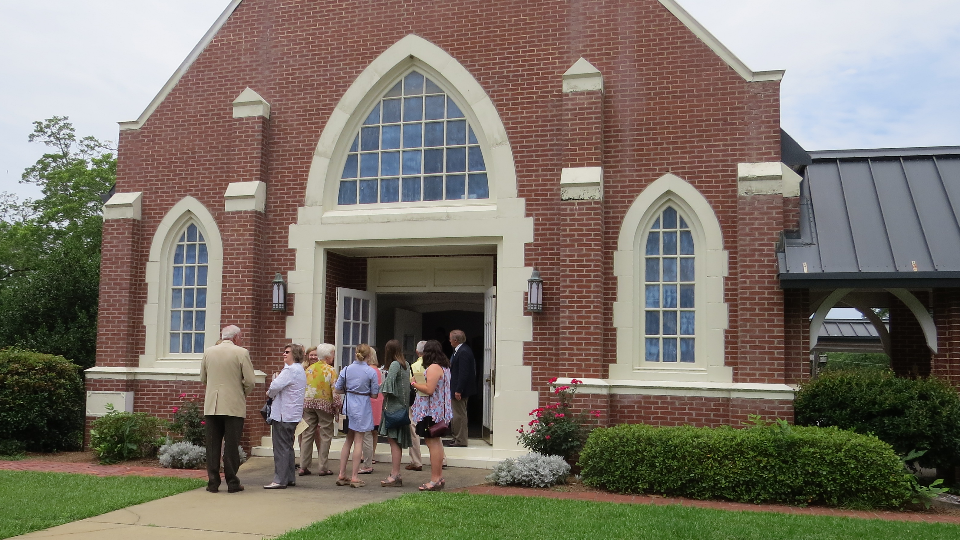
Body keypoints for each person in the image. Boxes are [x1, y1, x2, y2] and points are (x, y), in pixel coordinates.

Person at [199, 325, 256, 494]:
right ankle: (232, 482)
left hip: (212, 405)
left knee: (212, 445)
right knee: (231, 445)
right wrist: (240, 393)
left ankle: (213, 482)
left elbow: (203, 378)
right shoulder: (241, 352)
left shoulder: (209, 352)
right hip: (233, 405)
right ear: (236, 337)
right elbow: (251, 381)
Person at [334, 343, 380, 488]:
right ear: (369, 356)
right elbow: (374, 394)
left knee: (348, 440)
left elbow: (337, 389)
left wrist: (350, 391)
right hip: (362, 406)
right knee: (359, 440)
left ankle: (342, 473)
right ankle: (354, 476)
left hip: (348, 406)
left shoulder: (346, 369)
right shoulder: (370, 372)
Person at [410, 340, 452, 491]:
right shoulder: (444, 367)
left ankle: (434, 479)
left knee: (432, 444)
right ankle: (438, 477)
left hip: (431, 412)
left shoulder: (434, 367)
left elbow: (429, 389)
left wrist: (414, 383)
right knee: (437, 443)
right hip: (439, 411)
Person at [264, 343, 307, 489]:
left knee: (280, 448)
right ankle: (289, 477)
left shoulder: (290, 370)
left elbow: (274, 386)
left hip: (283, 414)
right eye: (284, 351)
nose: (284, 354)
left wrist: (269, 393)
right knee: (288, 447)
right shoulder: (300, 369)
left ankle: (279, 480)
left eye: (287, 352)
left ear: (294, 354)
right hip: (293, 414)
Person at [298, 343, 339, 477]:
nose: (333, 356)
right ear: (328, 356)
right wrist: (337, 407)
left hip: (308, 404)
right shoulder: (330, 370)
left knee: (307, 434)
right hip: (324, 405)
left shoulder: (309, 369)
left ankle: (303, 466)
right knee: (326, 434)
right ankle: (323, 467)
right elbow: (335, 390)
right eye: (332, 354)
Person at [378, 339, 411, 487]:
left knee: (393, 442)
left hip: (393, 408)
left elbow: (388, 386)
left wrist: (377, 388)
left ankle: (395, 474)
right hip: (403, 407)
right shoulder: (406, 364)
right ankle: (396, 473)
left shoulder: (394, 365)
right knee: (396, 441)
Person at [447, 329, 477, 447]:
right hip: (456, 388)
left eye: (450, 338)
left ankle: (461, 440)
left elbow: (463, 373)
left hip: (460, 390)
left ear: (455, 340)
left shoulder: (463, 351)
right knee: (456, 414)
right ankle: (456, 438)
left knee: (459, 415)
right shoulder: (460, 350)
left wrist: (458, 390)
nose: (449, 341)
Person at [360, 348, 383, 473]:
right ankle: (371, 455)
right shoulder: (377, 370)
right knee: (374, 430)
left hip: (370, 400)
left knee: (367, 431)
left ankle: (366, 455)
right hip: (377, 400)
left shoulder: (369, 370)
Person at [405, 340, 427, 471]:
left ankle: (416, 460)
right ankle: (442, 459)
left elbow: (410, 384)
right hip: (431, 400)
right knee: (434, 429)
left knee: (413, 429)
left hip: (417, 399)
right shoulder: (435, 366)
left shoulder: (414, 366)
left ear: (417, 352)